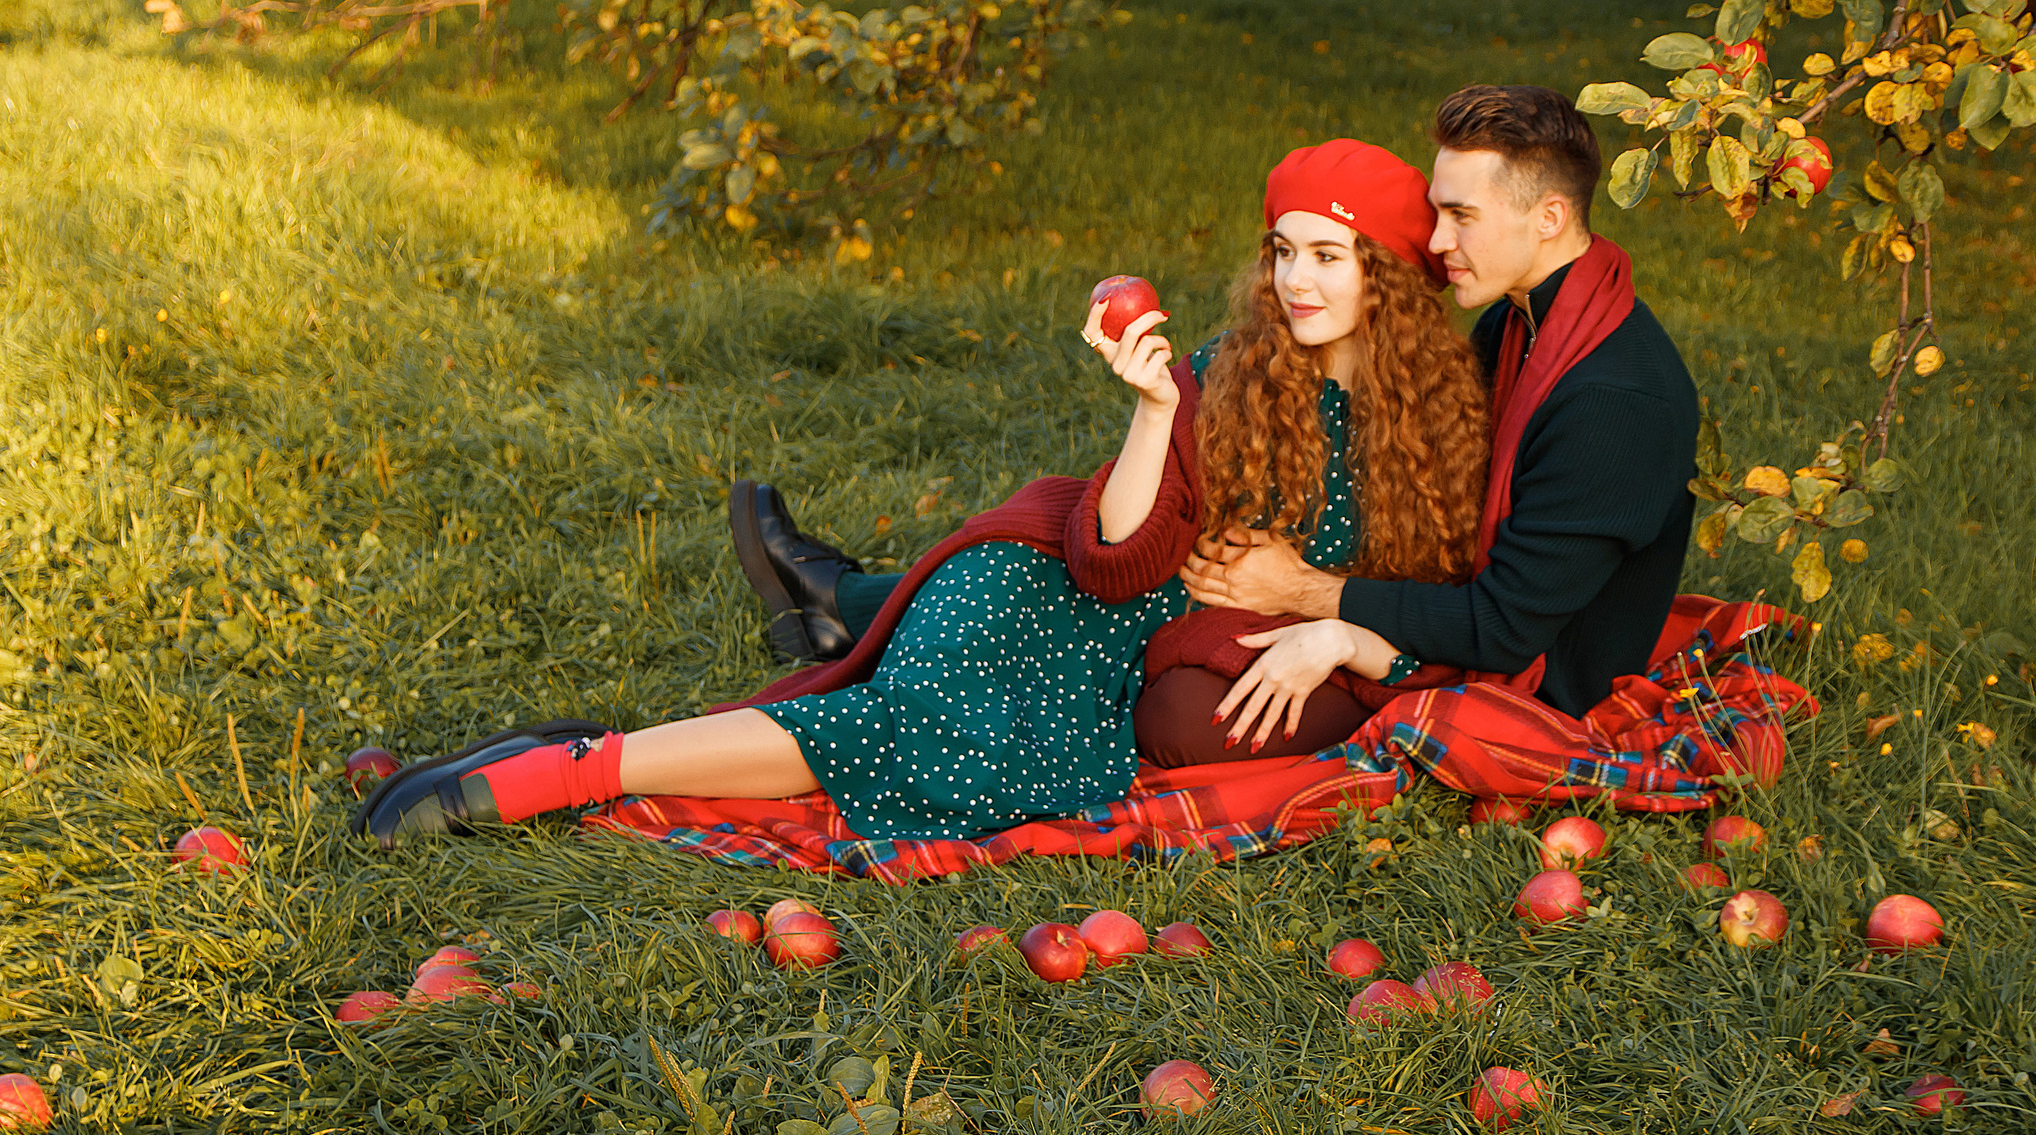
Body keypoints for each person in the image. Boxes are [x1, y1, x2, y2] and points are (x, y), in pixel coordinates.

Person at [353, 141, 1490, 849]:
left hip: (1142, 673)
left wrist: (1328, 622)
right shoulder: (1228, 370)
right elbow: (1114, 561)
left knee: (928, 736)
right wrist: (1152, 412)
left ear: (1385, 277)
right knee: (926, 711)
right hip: (1065, 599)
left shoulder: (1435, 433)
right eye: (1280, 251)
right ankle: (567, 768)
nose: (1292, 279)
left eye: (1326, 258)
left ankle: (574, 761)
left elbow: (1450, 619)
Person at [1177, 85, 1702, 724]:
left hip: (1538, 679)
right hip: (1448, 612)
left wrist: (1306, 593)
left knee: (1190, 717)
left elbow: (1504, 628)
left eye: (1461, 216)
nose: (1436, 239)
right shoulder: (1520, 321)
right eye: (1436, 211)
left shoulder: (1615, 401)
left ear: (1549, 218)